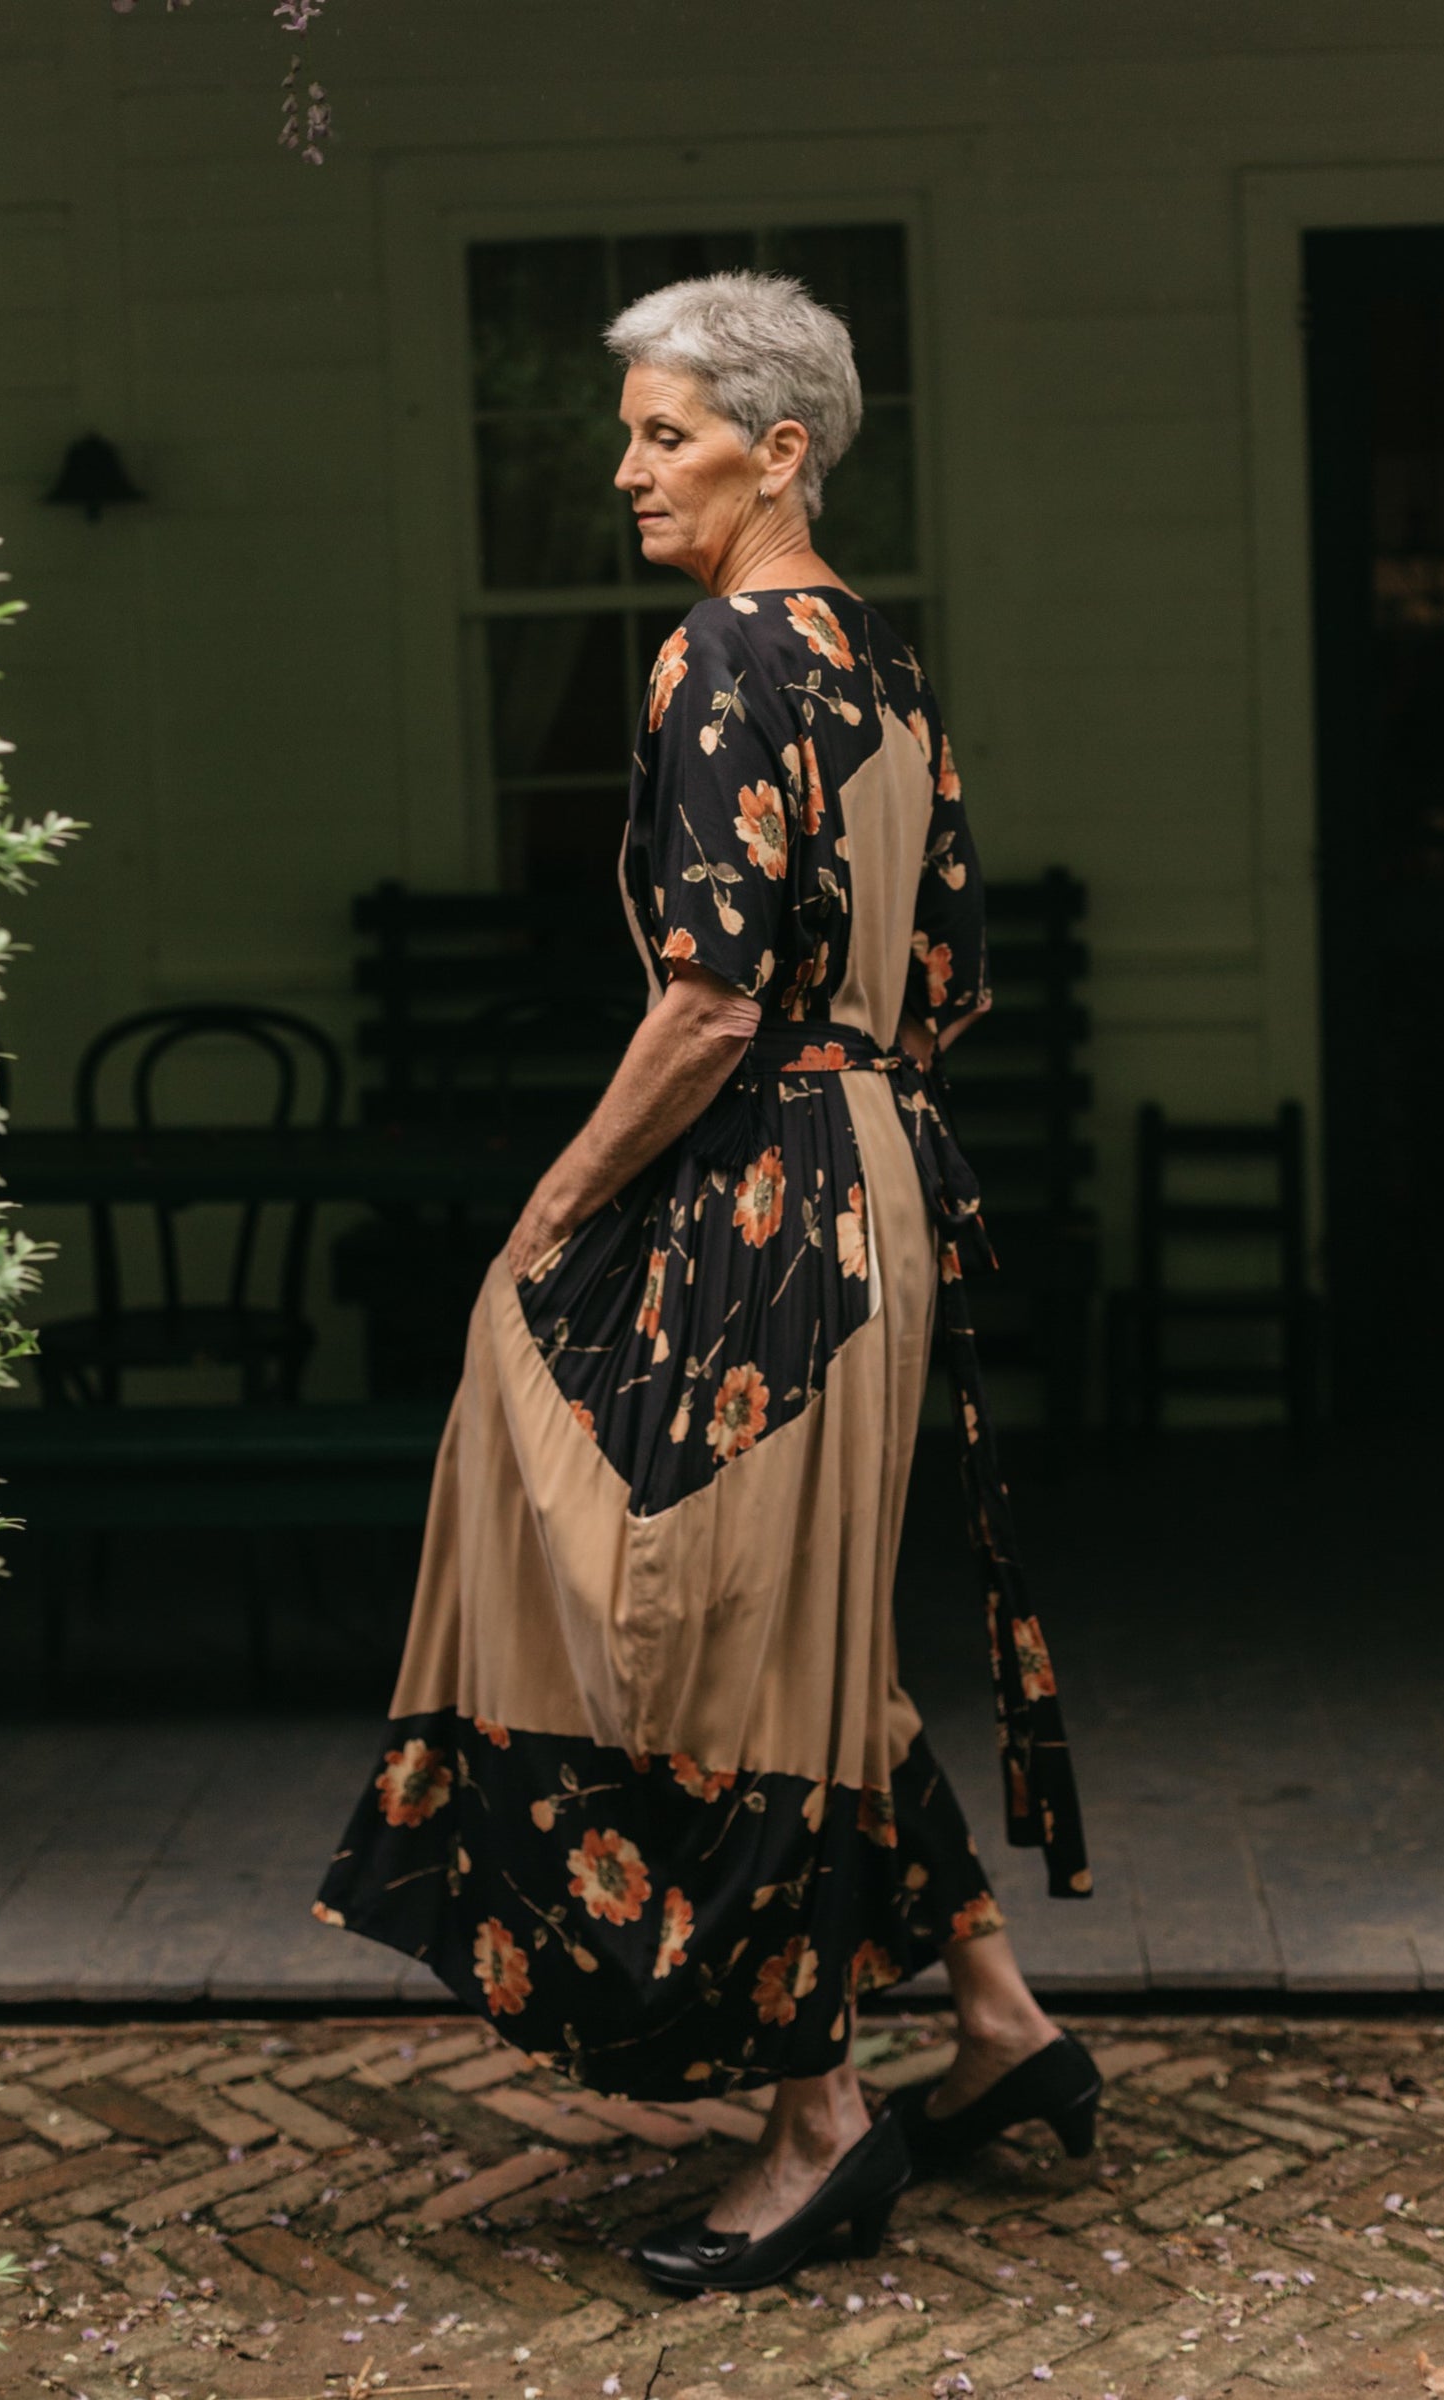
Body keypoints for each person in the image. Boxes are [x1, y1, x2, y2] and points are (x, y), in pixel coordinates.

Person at [316, 270, 1097, 2291]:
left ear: (783, 450)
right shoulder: (882, 659)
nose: (627, 466)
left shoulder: (723, 653)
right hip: (877, 1180)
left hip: (763, 1199)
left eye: (668, 434)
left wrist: (546, 1212)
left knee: (712, 1647)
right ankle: (997, 2032)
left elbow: (702, 1004)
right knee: (795, 1629)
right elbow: (953, 985)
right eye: (635, 431)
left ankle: (818, 2119)